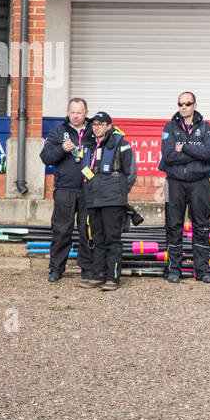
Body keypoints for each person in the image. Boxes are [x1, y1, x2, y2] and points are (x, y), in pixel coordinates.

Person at [159, 92, 210, 283]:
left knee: (202, 226)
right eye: (180, 103)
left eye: (187, 103)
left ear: (194, 105)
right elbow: (168, 155)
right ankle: (174, 269)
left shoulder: (206, 127)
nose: (183, 106)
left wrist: (185, 148)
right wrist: (196, 152)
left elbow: (208, 153)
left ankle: (203, 270)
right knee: (173, 225)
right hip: (175, 183)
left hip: (200, 183)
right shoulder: (170, 126)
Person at [40, 98, 94, 283]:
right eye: (73, 112)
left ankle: (87, 268)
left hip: (90, 189)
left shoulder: (95, 130)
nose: (76, 115)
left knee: (88, 230)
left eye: (79, 112)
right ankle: (56, 269)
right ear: (67, 112)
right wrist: (62, 149)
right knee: (61, 230)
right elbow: (45, 157)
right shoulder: (58, 132)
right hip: (65, 189)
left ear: (86, 112)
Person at [82, 112, 135, 291]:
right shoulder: (88, 145)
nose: (96, 127)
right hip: (93, 199)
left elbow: (131, 174)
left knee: (113, 239)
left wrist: (119, 193)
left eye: (100, 124)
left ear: (109, 126)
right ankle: (98, 275)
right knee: (97, 238)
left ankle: (113, 277)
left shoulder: (122, 144)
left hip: (113, 200)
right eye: (94, 124)